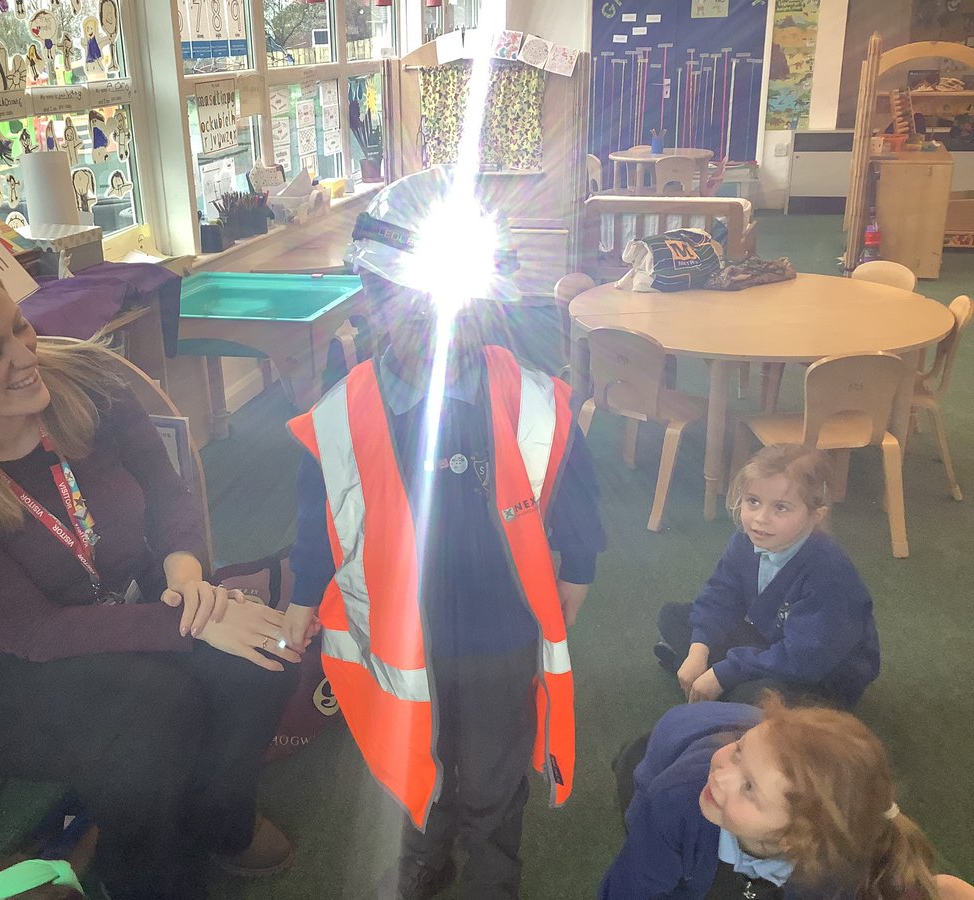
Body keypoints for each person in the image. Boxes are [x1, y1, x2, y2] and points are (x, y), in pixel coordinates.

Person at [0, 254, 300, 900]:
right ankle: (142, 874)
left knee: (269, 650)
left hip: (143, 597)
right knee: (155, 711)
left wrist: (186, 571)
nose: (24, 354)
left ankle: (219, 816)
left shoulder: (92, 385)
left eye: (18, 327)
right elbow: (37, 631)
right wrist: (191, 621)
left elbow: (168, 492)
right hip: (14, 672)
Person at [282, 168, 606, 899]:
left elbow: (575, 503)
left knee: (494, 773)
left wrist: (571, 582)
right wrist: (302, 599)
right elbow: (319, 520)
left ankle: (492, 874)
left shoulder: (534, 404)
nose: (436, 327)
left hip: (499, 635)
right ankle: (424, 859)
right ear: (368, 300)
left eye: (455, 310)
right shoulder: (339, 416)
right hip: (399, 642)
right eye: (411, 308)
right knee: (409, 774)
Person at [600, 698, 946, 899]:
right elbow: (627, 891)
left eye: (748, 787)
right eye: (737, 752)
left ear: (794, 840)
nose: (720, 774)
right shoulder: (678, 802)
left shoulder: (837, 863)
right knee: (642, 801)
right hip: (676, 745)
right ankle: (631, 755)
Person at [653, 444, 879, 709]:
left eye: (780, 508)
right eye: (753, 501)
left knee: (757, 696)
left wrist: (723, 673)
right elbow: (720, 595)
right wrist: (698, 650)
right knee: (674, 616)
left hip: (821, 676)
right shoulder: (746, 540)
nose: (760, 519)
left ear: (815, 516)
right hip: (769, 642)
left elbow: (806, 657)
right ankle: (713, 684)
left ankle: (720, 690)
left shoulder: (830, 572)